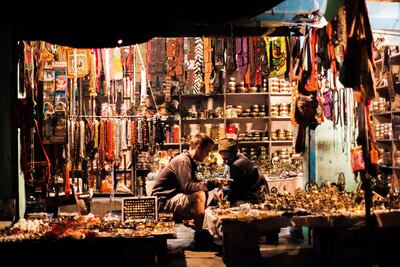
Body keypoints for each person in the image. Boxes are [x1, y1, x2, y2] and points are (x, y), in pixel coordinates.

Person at [151, 133, 226, 249]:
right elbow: (188, 187)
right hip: (162, 202)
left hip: (170, 198)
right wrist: (214, 182)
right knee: (200, 195)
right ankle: (201, 238)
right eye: (207, 150)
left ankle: (201, 232)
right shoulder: (183, 161)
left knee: (202, 193)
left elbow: (195, 185)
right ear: (198, 147)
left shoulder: (189, 160)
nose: (208, 154)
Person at [218, 138, 267, 207]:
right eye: (224, 159)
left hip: (254, 199)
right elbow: (227, 181)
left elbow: (234, 191)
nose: (226, 161)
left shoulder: (238, 164)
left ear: (234, 153)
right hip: (247, 196)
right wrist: (221, 190)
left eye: (229, 158)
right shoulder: (233, 161)